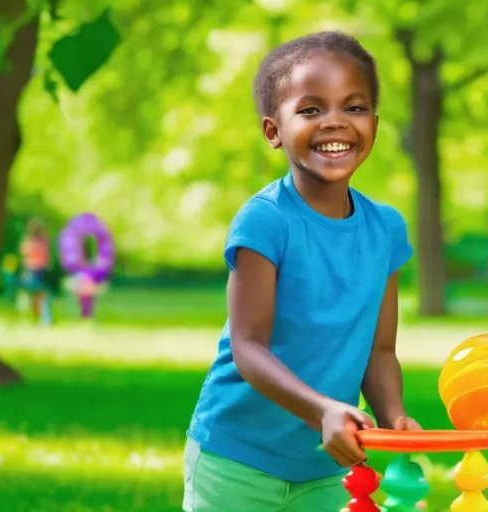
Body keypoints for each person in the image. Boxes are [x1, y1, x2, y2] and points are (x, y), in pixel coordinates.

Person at [184, 31, 420, 512]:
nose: (335, 123)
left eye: (353, 108)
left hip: (328, 470)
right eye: (311, 110)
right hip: (238, 459)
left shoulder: (386, 230)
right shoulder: (266, 220)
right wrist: (323, 411)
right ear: (273, 131)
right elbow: (249, 348)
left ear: (374, 123)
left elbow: (378, 351)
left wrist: (393, 418)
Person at [19, 218, 51, 320]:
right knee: (37, 293)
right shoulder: (30, 241)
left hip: (38, 270)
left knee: (39, 294)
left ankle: (38, 315)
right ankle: (37, 315)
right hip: (32, 270)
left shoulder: (40, 241)